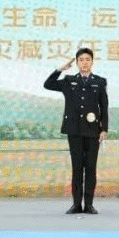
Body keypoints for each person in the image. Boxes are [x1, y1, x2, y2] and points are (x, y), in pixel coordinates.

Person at [43, 48, 108, 215]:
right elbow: (48, 84)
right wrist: (60, 69)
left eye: (87, 59)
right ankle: (76, 205)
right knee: (77, 168)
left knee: (90, 168)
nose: (84, 63)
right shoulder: (69, 81)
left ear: (92, 62)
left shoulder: (100, 82)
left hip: (93, 132)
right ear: (77, 62)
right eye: (81, 60)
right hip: (74, 131)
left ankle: (89, 205)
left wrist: (104, 129)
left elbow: (104, 107)